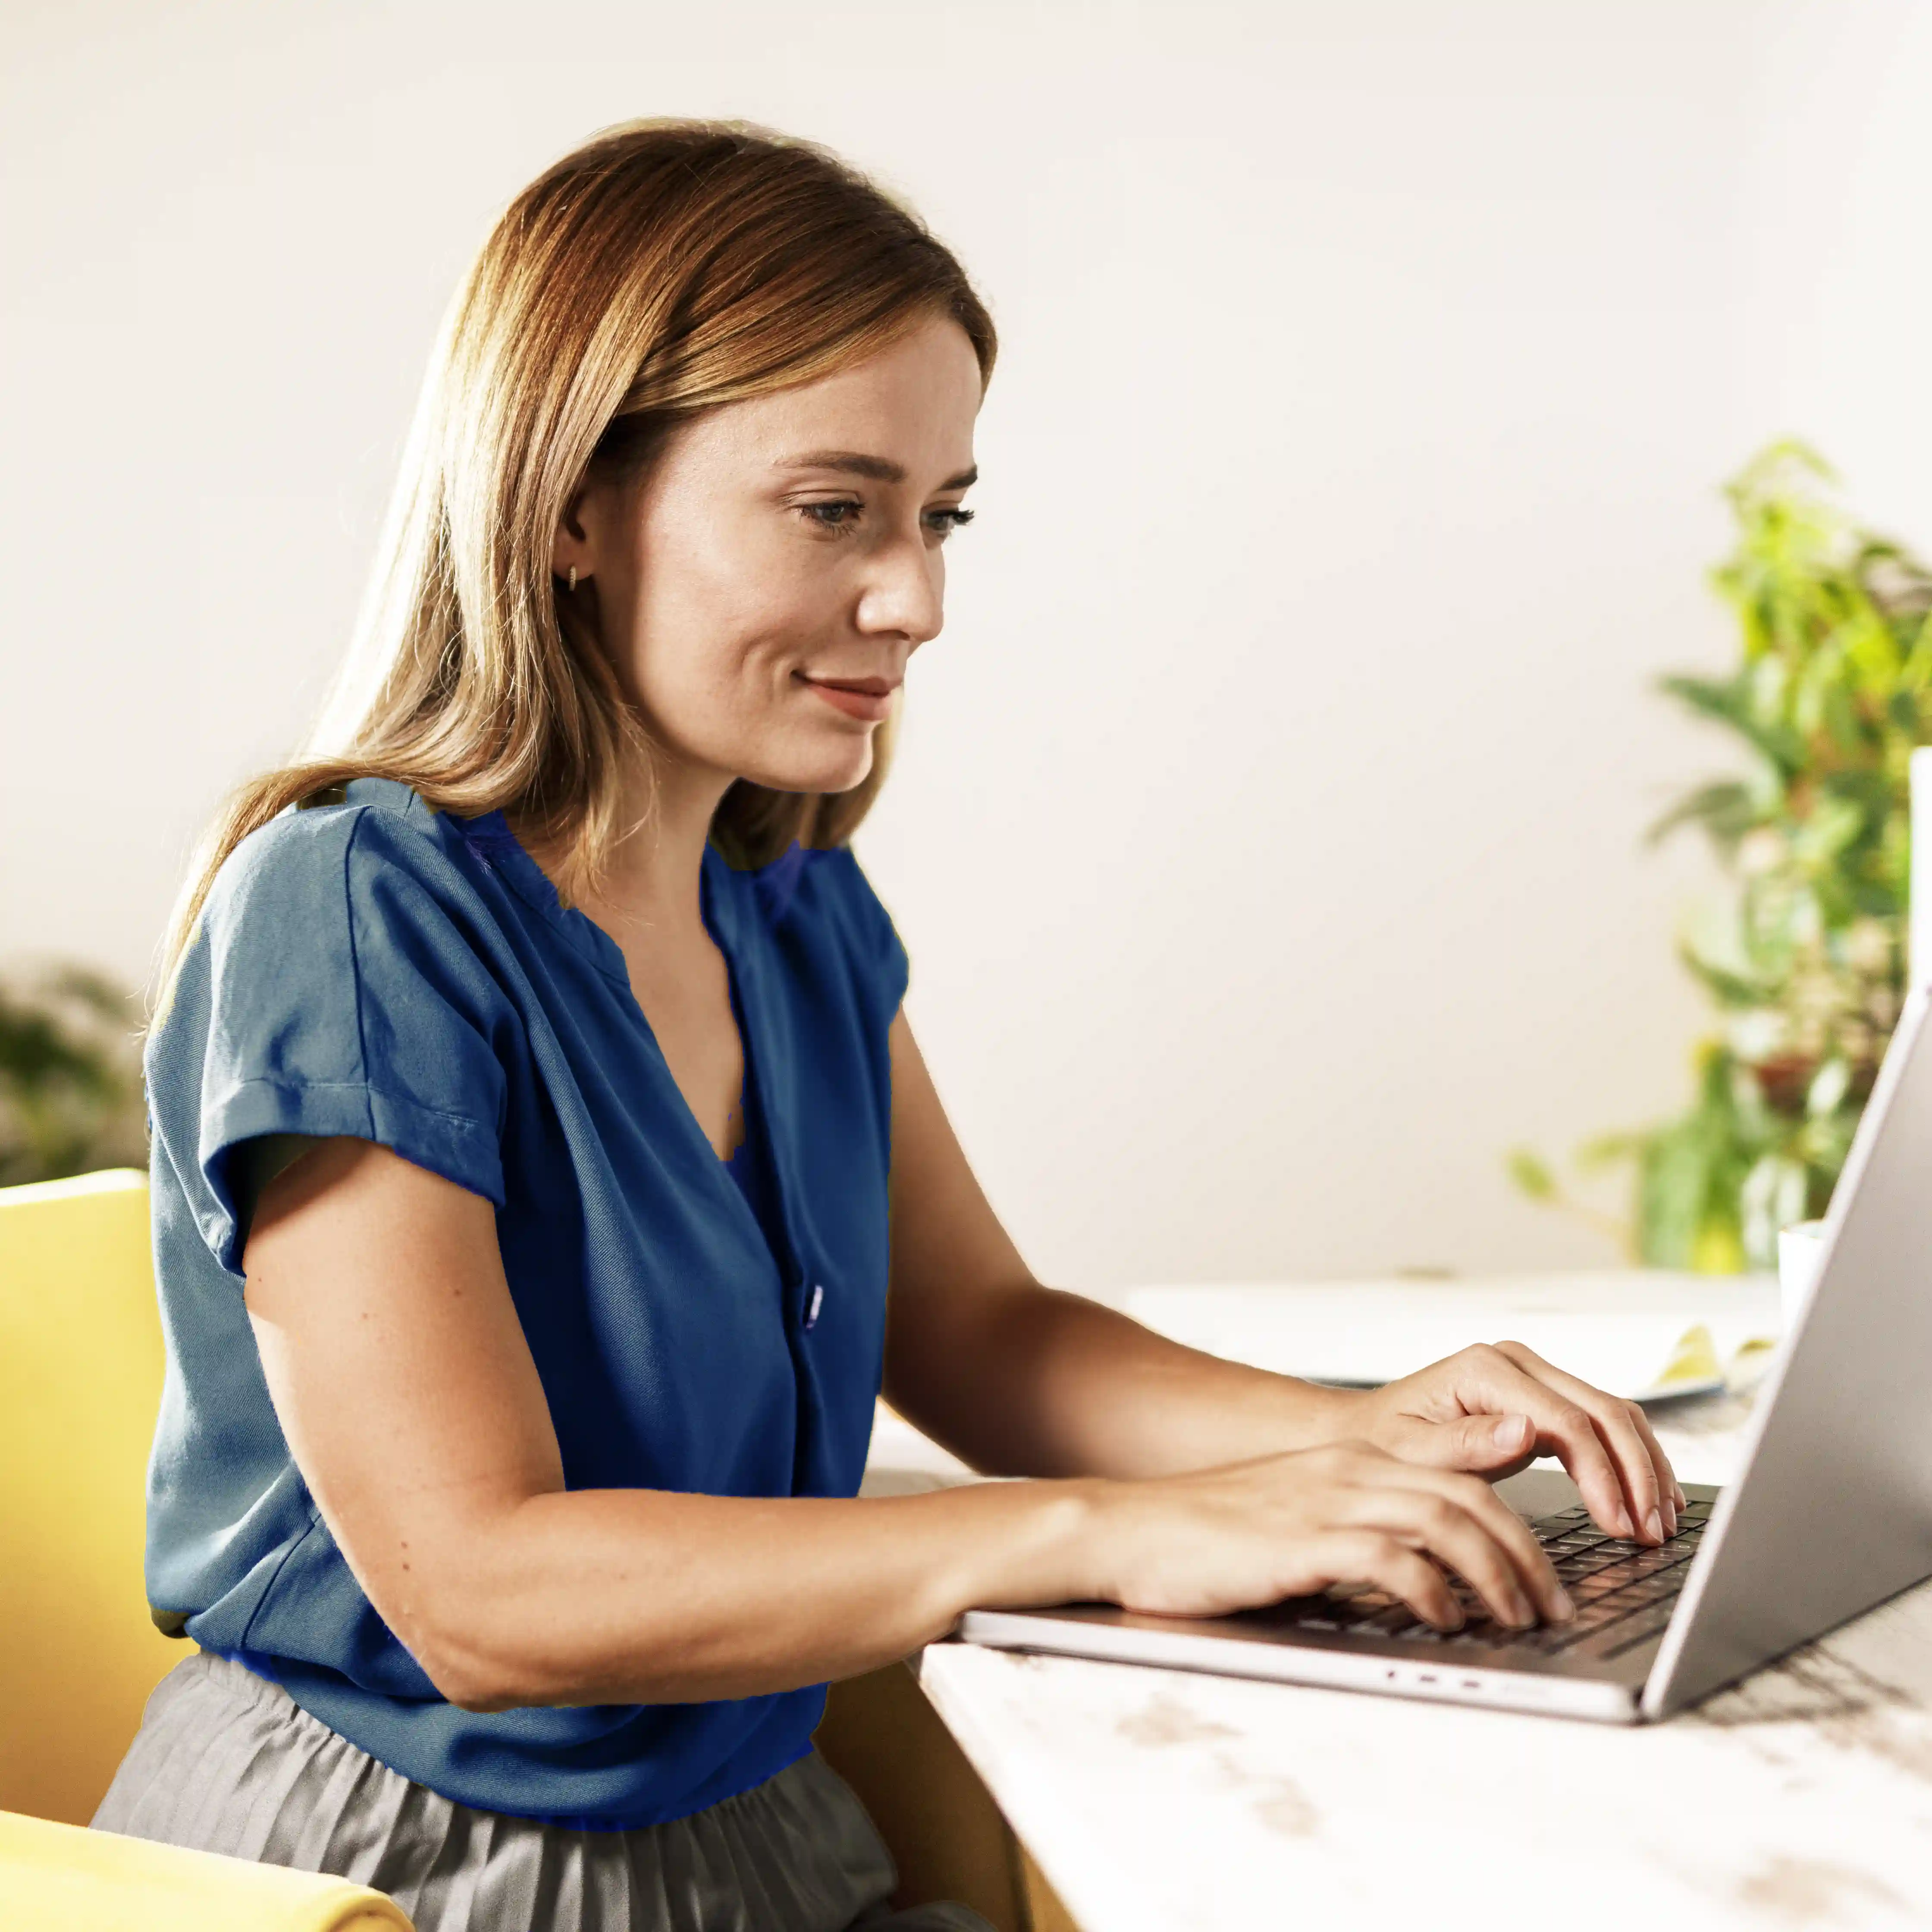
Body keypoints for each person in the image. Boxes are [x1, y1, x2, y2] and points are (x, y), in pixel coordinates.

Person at [96, 119, 1682, 1932]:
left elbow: (976, 1328)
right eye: (835, 508)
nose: (916, 599)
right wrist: (1106, 1529)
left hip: (762, 1821)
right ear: (569, 505)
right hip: (387, 1870)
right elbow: (478, 1591)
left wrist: (1358, 1442)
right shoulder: (355, 909)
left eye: (940, 516)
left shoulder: (792, 905)